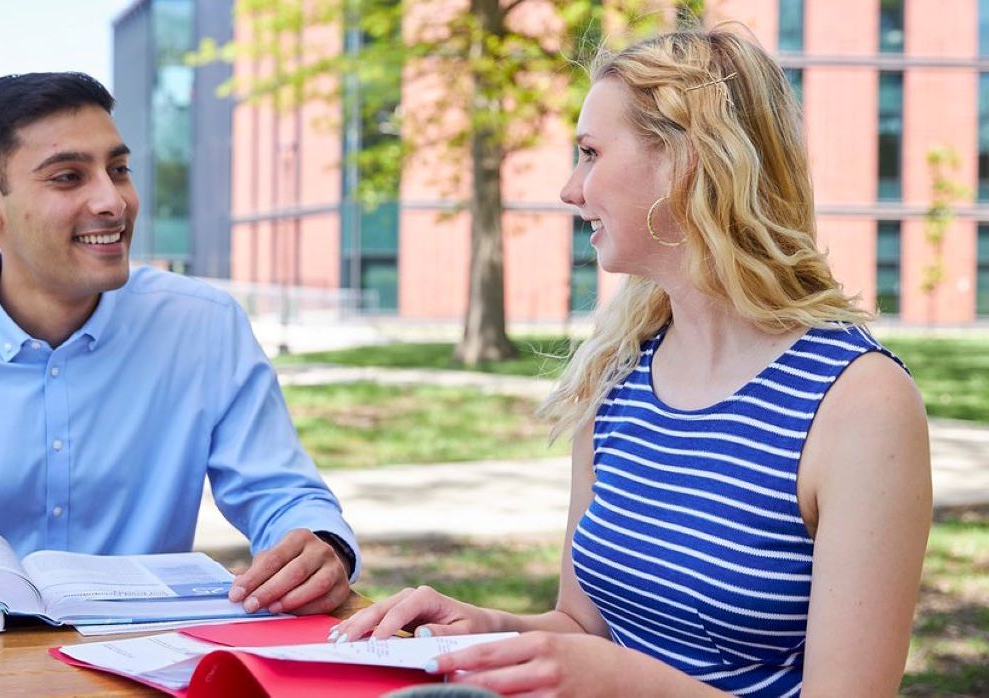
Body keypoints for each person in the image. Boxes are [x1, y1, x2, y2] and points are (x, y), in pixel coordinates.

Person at [332, 28, 931, 696]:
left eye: (589, 153)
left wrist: (624, 681)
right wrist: (483, 625)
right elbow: (582, 629)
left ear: (687, 160)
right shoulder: (615, 373)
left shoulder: (859, 403)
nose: (568, 188)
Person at [0, 72, 358, 617]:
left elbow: (283, 492)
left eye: (119, 169)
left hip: (142, 662)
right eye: (68, 177)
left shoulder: (204, 325)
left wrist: (321, 547)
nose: (112, 201)